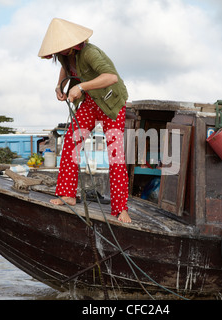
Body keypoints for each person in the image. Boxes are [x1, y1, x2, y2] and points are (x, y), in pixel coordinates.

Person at [38, 18, 131, 223]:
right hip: (90, 102)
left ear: (71, 43)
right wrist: (58, 87)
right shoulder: (64, 56)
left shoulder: (90, 52)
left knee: (115, 153)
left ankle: (120, 208)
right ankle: (67, 194)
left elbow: (111, 77)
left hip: (110, 103)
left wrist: (80, 87)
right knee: (71, 141)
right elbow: (66, 70)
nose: (59, 52)